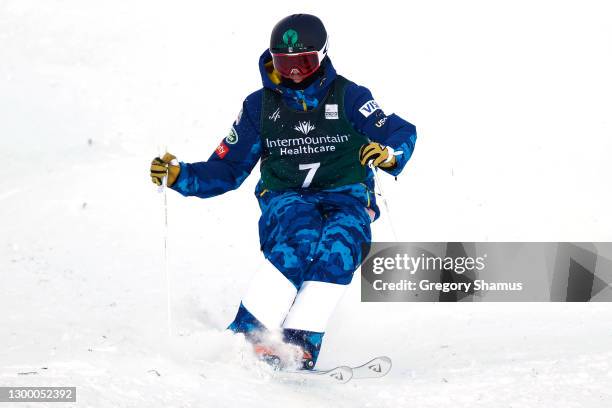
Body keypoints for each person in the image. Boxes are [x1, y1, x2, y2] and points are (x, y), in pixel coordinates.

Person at [150, 14, 417, 370]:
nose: (293, 73)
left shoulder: (350, 96)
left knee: (342, 243)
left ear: (322, 57)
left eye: (304, 62)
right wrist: (181, 176)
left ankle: (300, 343)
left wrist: (389, 154)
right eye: (284, 63)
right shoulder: (260, 107)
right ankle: (248, 335)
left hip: (347, 194)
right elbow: (228, 169)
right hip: (287, 194)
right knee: (300, 234)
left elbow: (399, 132)